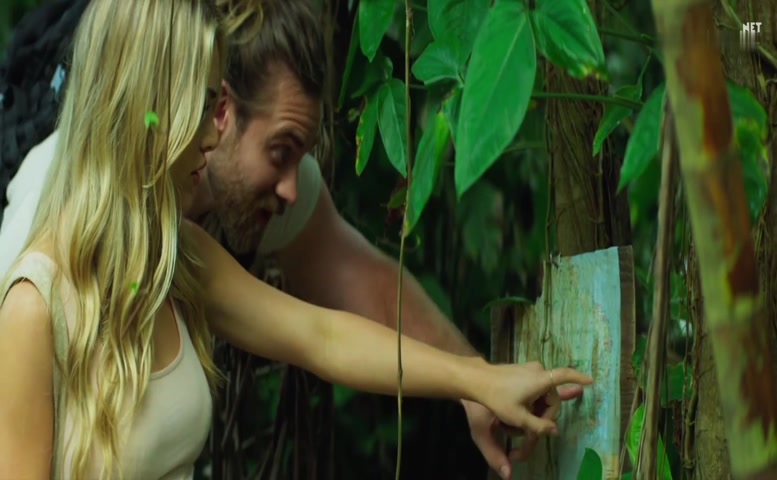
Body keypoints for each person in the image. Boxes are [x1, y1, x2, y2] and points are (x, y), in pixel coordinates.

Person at [0, 0, 593, 479]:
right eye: (205, 106)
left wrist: (479, 381)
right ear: (153, 110)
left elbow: (323, 332)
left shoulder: (176, 253)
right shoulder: (35, 298)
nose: (214, 132)